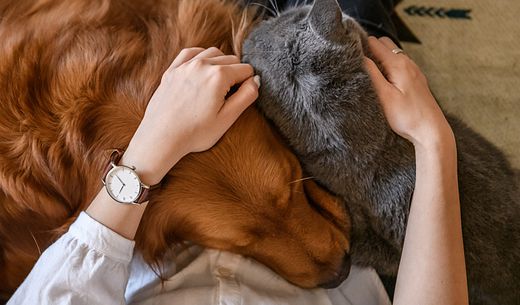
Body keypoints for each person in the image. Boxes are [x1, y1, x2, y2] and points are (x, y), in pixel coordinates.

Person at [7, 2, 469, 305]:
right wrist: (433, 141)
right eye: (249, 238)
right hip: (384, 236)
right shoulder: (328, 259)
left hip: (133, 196)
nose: (323, 258)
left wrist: (144, 159)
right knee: (352, 23)